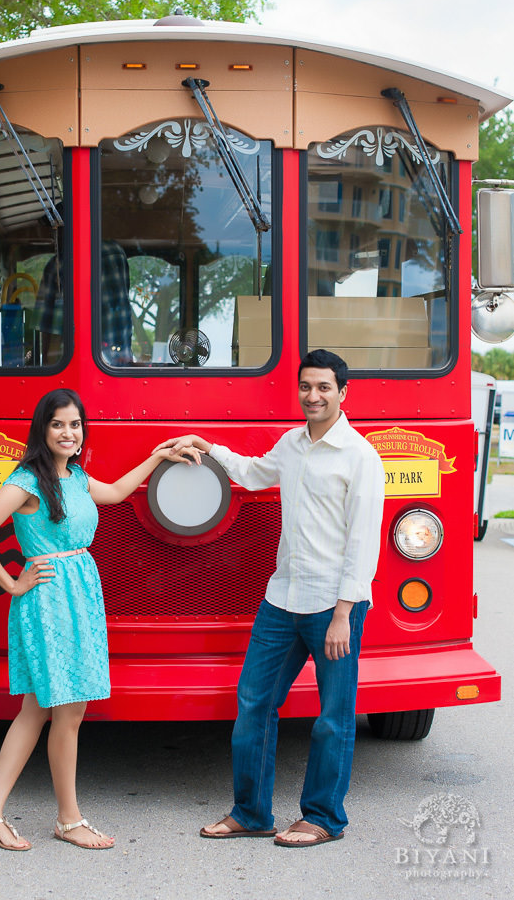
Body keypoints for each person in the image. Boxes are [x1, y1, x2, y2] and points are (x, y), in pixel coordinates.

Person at [155, 349, 385, 847]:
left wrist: (345, 613)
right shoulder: (292, 444)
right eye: (306, 386)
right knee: (254, 702)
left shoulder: (361, 457)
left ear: (343, 394)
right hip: (282, 598)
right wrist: (205, 445)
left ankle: (323, 817)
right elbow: (253, 472)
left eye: (324, 387)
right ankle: (252, 813)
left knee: (333, 716)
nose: (313, 395)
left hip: (333, 606)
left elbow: (363, 541)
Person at [0, 387, 189, 851]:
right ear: (42, 430)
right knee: (65, 709)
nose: (68, 433)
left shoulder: (76, 476)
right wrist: (11, 583)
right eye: (58, 424)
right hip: (48, 597)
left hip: (79, 592)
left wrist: (157, 456)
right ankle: (67, 820)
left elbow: (117, 493)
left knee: (43, 709)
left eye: (75, 424)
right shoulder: (28, 479)